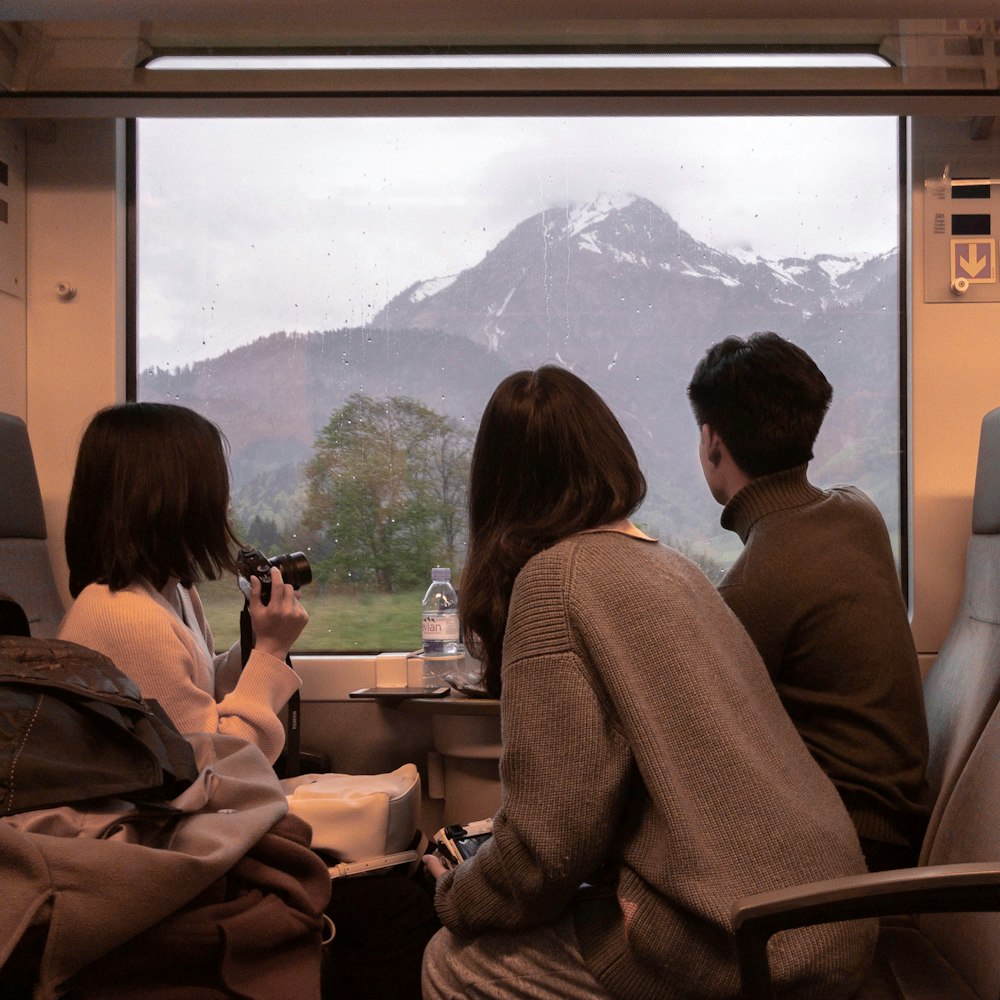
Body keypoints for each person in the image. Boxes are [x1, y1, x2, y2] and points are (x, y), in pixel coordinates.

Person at [421, 365, 876, 1000]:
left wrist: (457, 890)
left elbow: (550, 847)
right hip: (828, 919)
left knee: (454, 962)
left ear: (496, 487)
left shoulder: (552, 582)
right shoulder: (676, 570)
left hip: (750, 950)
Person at [687, 332, 929, 872]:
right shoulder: (858, 511)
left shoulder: (752, 589)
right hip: (893, 824)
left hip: (845, 846)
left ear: (712, 442)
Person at [58, 401, 307, 765]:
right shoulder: (127, 618)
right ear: (175, 501)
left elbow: (201, 688)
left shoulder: (175, 591)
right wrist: (270, 650)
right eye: (215, 488)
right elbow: (215, 769)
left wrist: (259, 636)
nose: (224, 504)